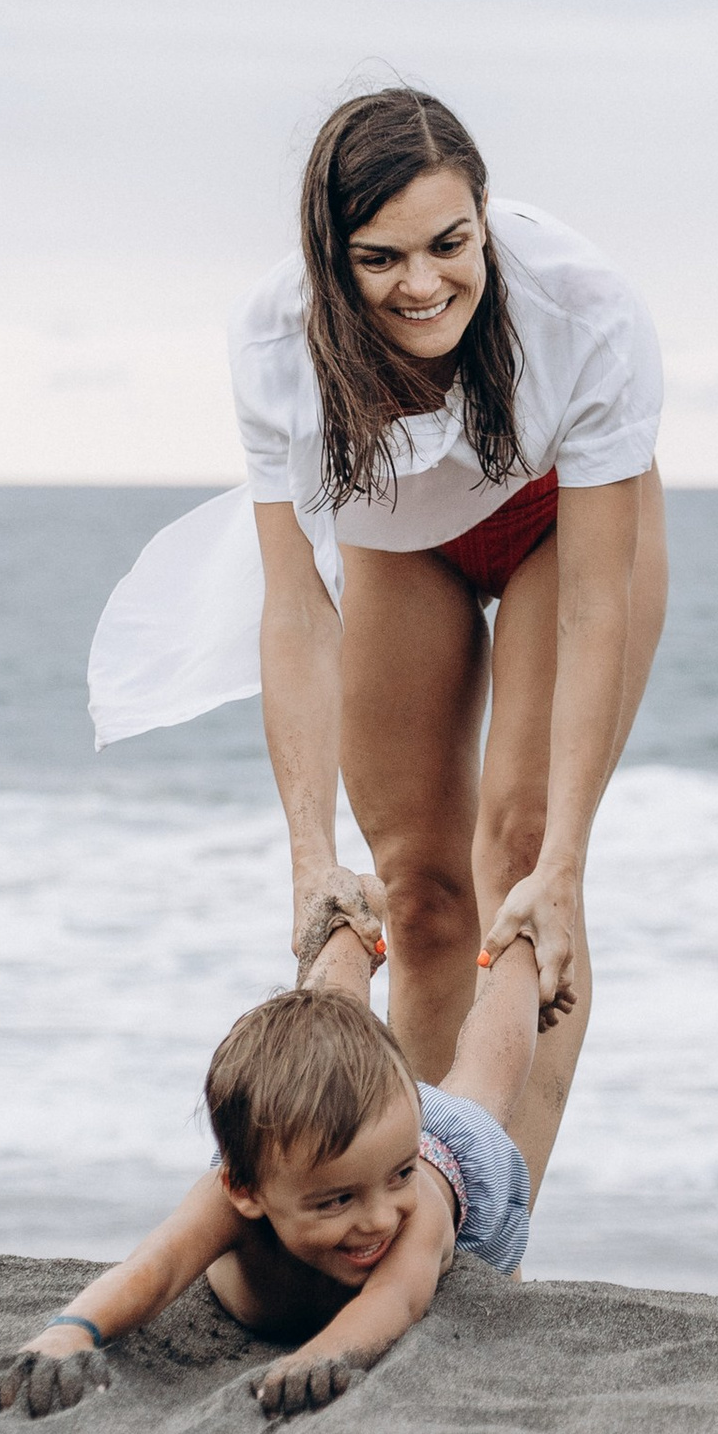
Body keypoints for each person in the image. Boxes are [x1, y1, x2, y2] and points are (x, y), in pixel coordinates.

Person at [88, 88, 666, 1204]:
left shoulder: (585, 309)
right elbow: (297, 609)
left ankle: (479, 1223)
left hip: (560, 523)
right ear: (329, 255)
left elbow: (597, 606)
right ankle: (393, 1189)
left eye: (450, 243)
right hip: (398, 537)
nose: (422, 282)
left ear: (485, 217)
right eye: (380, 257)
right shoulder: (275, 340)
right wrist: (308, 852)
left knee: (523, 856)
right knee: (421, 893)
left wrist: (565, 863)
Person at [0, 928, 545, 1421]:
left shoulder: (417, 1209)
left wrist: (321, 1356)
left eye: (397, 1180)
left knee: (482, 1085)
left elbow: (395, 1299)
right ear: (246, 1191)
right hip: (320, 1139)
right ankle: (352, 927)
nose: (379, 1219)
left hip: (438, 1154)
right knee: (317, 1034)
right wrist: (71, 1330)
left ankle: (520, 944)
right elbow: (155, 1269)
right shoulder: (240, 1191)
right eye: (337, 1202)